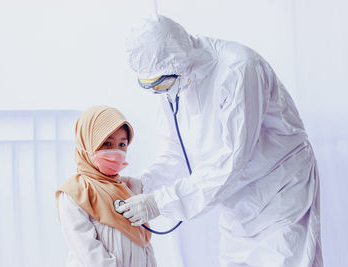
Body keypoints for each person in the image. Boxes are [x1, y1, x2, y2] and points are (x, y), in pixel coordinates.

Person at [117, 15, 323, 266]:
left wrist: (159, 202)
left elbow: (230, 163)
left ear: (179, 63)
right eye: (150, 86)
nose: (160, 92)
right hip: (237, 203)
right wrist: (146, 184)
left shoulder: (238, 70)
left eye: (161, 83)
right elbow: (176, 152)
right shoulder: (173, 82)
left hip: (280, 194)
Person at [55, 106, 156, 267]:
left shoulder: (129, 187)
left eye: (122, 145)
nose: (116, 152)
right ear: (87, 143)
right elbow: (88, 252)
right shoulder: (75, 192)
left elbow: (143, 243)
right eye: (107, 143)